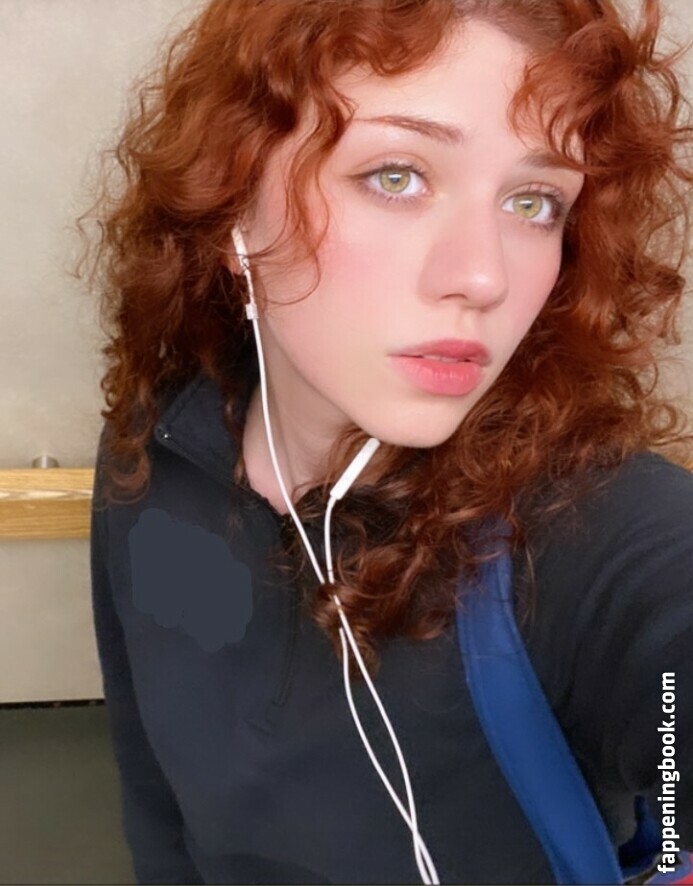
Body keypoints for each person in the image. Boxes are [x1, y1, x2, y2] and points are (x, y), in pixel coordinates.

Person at [78, 0, 693, 883]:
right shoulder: (151, 451)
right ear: (232, 209)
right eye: (396, 175)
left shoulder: (588, 528)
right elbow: (156, 800)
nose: (481, 275)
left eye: (533, 202)